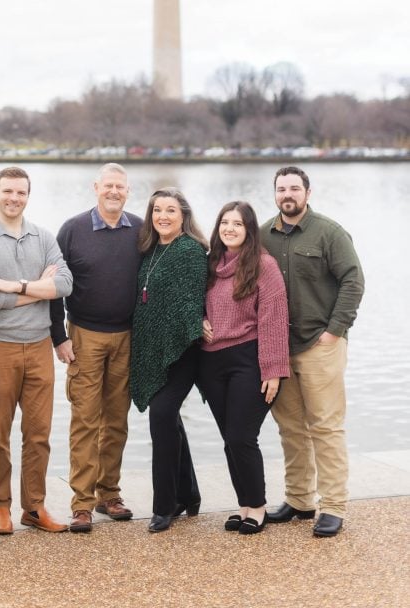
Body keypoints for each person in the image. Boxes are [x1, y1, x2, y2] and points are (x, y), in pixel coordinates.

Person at [0, 166, 73, 535]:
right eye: (7, 191)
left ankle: (34, 506)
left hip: (40, 346)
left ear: (28, 195)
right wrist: (37, 289)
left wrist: (18, 286)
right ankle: (0, 507)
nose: (14, 198)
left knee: (39, 432)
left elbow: (64, 284)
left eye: (21, 192)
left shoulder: (43, 237)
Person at [261, 166, 365, 538]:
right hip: (279, 350)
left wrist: (335, 331)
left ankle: (333, 506)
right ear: (274, 194)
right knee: (290, 428)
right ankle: (300, 500)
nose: (287, 194)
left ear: (307, 191)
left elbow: (353, 279)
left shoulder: (329, 232)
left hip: (320, 345)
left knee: (325, 427)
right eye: (281, 189)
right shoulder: (263, 235)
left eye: (294, 188)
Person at [51, 163, 143, 533]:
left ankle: (109, 494)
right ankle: (82, 503)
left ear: (128, 190)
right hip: (84, 335)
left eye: (120, 187)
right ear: (96, 187)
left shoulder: (140, 229)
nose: (114, 192)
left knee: (117, 420)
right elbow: (55, 285)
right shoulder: (72, 230)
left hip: (127, 336)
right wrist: (59, 335)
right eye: (108, 186)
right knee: (86, 420)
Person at [199, 201, 290, 534]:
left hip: (248, 359)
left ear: (249, 230)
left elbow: (274, 320)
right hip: (210, 362)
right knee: (229, 439)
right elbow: (193, 303)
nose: (230, 229)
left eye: (237, 223)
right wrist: (199, 321)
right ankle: (244, 505)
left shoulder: (262, 265)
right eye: (225, 222)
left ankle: (258, 506)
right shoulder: (210, 263)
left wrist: (273, 370)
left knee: (241, 436)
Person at [130, 188, 207, 533]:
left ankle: (165, 506)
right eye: (157, 210)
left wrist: (180, 333)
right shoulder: (150, 250)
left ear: (183, 215)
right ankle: (189, 494)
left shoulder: (190, 250)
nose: (163, 216)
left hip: (184, 351)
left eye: (170, 210)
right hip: (155, 348)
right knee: (169, 418)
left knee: (161, 417)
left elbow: (188, 304)